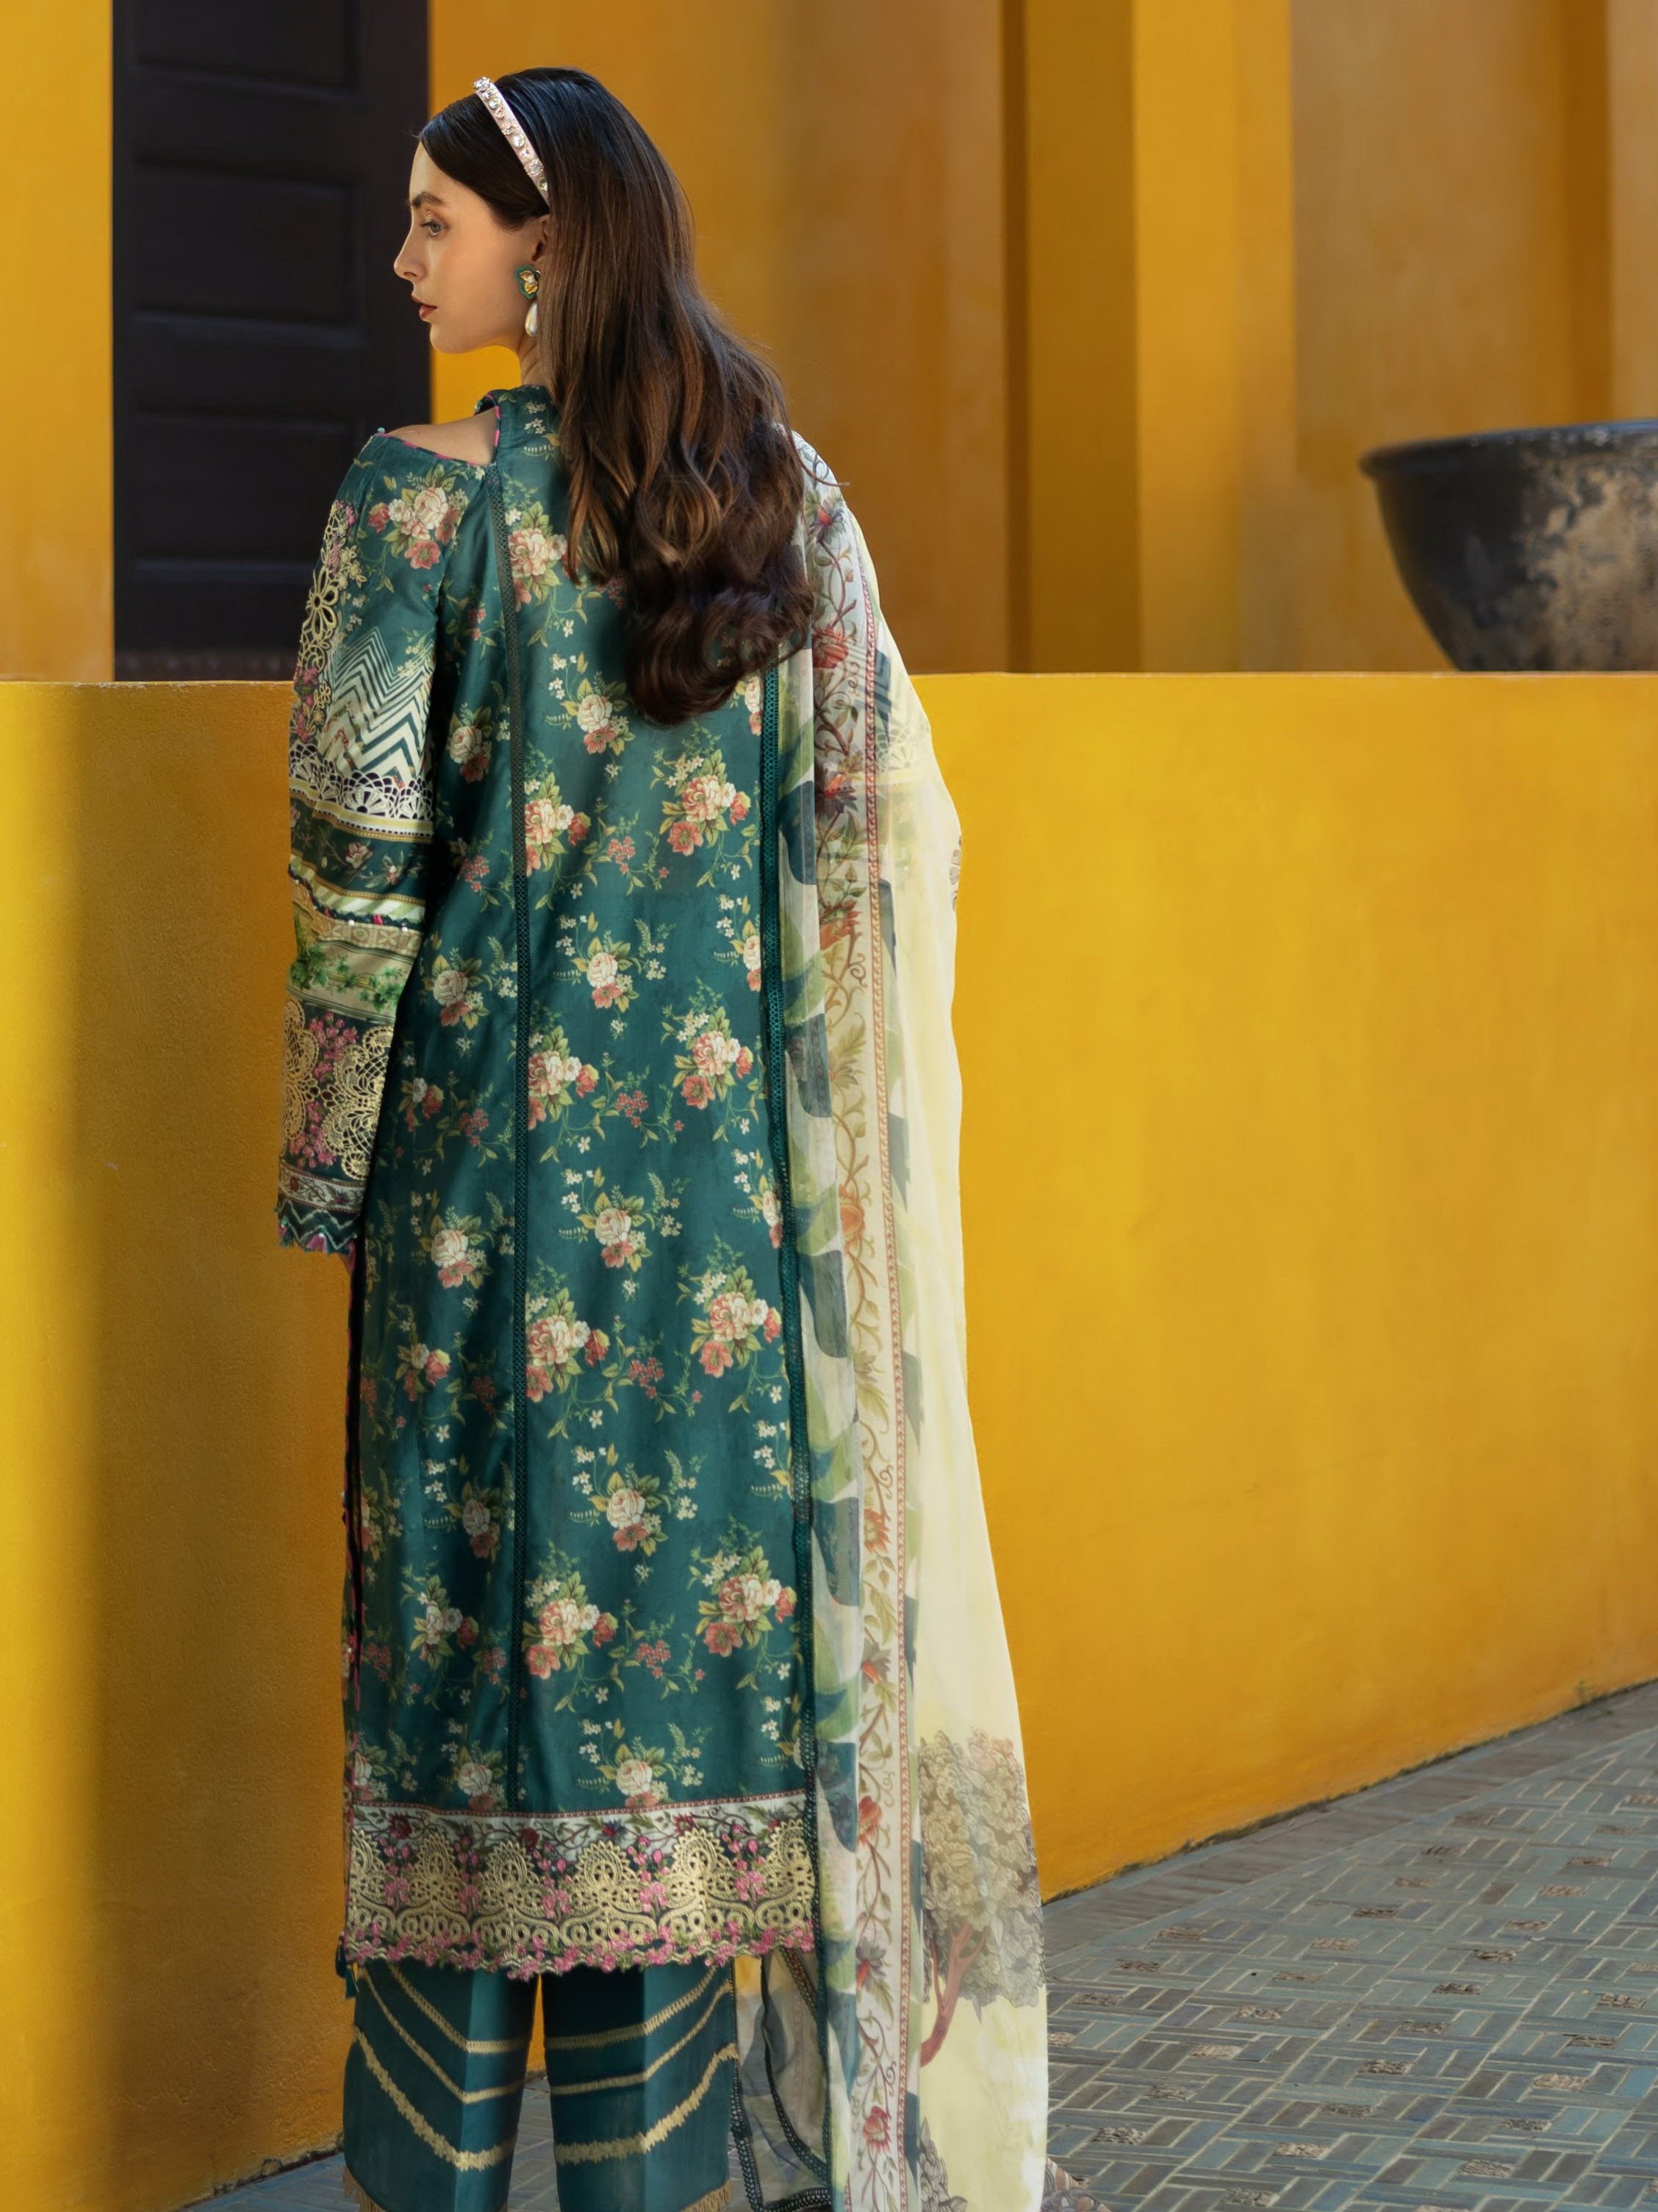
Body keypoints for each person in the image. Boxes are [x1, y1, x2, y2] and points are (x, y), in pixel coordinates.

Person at [276, 65, 1047, 2212]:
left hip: (482, 1246)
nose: (403, 260)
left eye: (434, 222)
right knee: (666, 1788)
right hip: (728, 1269)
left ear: (544, 249)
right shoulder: (777, 510)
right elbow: (889, 834)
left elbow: (353, 889)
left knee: (470, 1755)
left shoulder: (409, 506)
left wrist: (327, 1171)